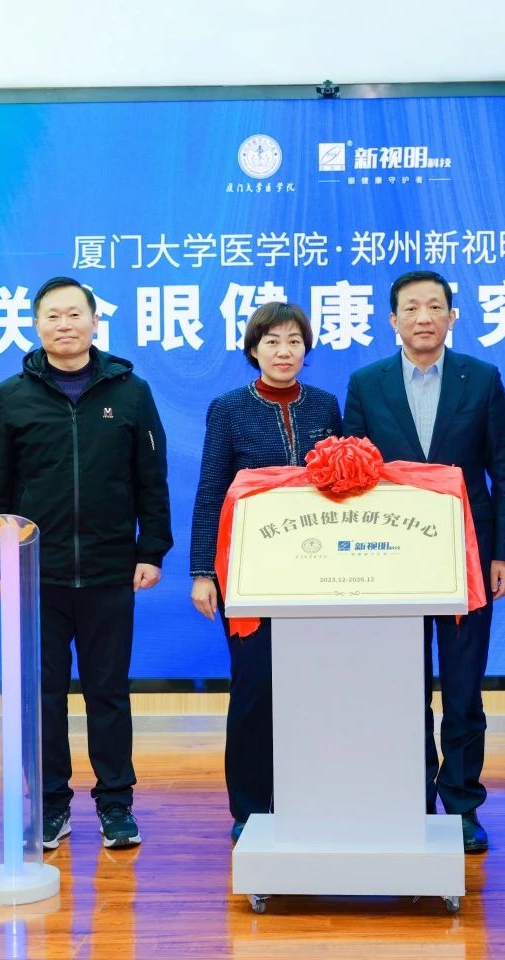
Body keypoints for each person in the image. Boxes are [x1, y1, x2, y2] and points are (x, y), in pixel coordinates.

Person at [0, 276, 173, 850]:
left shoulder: (130, 392)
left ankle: (116, 804)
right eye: (52, 316)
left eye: (74, 314)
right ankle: (51, 805)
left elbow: (150, 479)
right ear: (37, 325)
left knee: (108, 693)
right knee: (43, 696)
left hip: (111, 571)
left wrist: (150, 550)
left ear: (93, 321)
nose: (64, 325)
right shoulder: (9, 397)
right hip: (37, 575)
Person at [343, 269, 505, 853]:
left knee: (464, 689)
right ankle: (412, 798)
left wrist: (503, 553)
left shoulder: (482, 378)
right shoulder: (366, 384)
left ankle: (463, 804)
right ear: (392, 320)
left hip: (469, 556)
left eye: (435, 306)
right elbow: (351, 476)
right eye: (412, 308)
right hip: (392, 559)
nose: (424, 317)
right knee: (403, 687)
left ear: (452, 316)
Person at [190, 302, 342, 843]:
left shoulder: (325, 405)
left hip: (319, 572)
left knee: (315, 687)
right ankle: (251, 808)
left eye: (294, 341)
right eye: (272, 341)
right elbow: (211, 492)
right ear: (254, 349)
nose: (284, 351)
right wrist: (202, 572)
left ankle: (310, 796)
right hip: (249, 571)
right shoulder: (228, 408)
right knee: (255, 687)